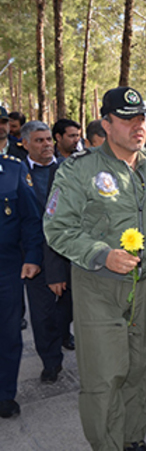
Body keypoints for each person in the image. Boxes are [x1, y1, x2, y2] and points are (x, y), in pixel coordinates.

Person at [43, 86, 146, 451]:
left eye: (141, 118)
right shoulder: (79, 170)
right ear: (107, 124)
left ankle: (132, 439)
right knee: (105, 375)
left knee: (144, 369)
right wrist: (101, 254)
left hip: (144, 283)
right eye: (127, 120)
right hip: (98, 285)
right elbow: (57, 228)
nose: (138, 126)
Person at [21, 121, 70, 383]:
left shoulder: (68, 169)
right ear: (25, 144)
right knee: (42, 314)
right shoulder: (17, 172)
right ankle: (51, 361)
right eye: (39, 140)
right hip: (35, 255)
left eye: (49, 139)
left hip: (67, 253)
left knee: (67, 307)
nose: (46, 145)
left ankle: (63, 334)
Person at [0, 154, 43, 419]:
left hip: (6, 269)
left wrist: (33, 257)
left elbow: (30, 218)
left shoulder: (13, 170)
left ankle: (4, 394)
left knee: (7, 334)